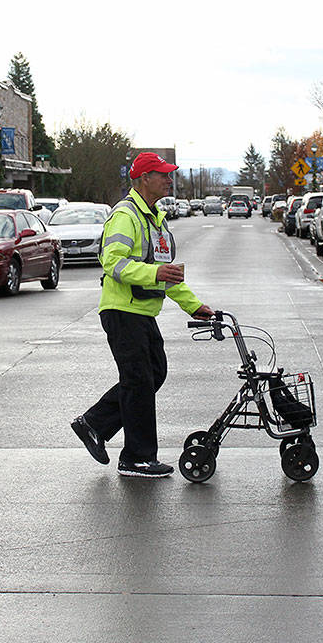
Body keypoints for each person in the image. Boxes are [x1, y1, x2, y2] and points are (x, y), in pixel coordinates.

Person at [70, 152, 214, 478]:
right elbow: (114, 263)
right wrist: (155, 273)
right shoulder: (126, 216)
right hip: (122, 311)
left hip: (142, 312)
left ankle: (94, 423)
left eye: (168, 174)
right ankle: (137, 457)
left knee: (153, 375)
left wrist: (194, 305)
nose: (169, 180)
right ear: (144, 178)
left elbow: (167, 275)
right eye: (162, 175)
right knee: (139, 381)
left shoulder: (155, 218)